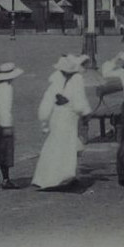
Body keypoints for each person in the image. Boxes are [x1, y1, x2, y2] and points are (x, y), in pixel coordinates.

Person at [31, 53, 91, 190]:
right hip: (69, 116)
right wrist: (86, 113)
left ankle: (46, 177)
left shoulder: (56, 80)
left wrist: (44, 120)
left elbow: (46, 102)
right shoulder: (77, 79)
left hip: (56, 116)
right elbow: (79, 103)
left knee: (54, 144)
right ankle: (65, 176)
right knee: (67, 146)